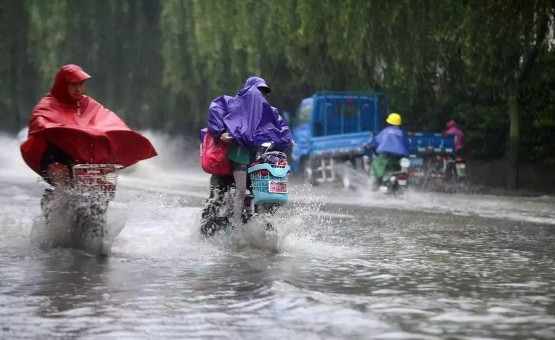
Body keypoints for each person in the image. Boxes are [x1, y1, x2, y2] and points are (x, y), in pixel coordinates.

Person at [20, 64, 157, 209]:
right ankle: (52, 203)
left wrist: (124, 135)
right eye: (74, 85)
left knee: (102, 190)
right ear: (63, 85)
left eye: (81, 84)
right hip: (56, 156)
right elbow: (40, 122)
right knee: (61, 177)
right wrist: (66, 129)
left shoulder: (88, 104)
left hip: (86, 161)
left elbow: (109, 121)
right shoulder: (47, 104)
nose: (79, 89)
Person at [203, 76, 292, 232]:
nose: (261, 96)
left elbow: (281, 131)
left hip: (253, 165)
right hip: (226, 164)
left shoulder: (268, 113)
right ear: (247, 92)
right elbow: (215, 113)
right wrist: (222, 133)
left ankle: (263, 229)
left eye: (264, 93)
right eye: (258, 92)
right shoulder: (230, 104)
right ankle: (206, 227)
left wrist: (284, 140)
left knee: (264, 198)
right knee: (216, 197)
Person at [368, 113, 409, 188]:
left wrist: (370, 145)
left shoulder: (385, 131)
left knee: (375, 165)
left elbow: (375, 142)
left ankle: (374, 185)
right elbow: (406, 144)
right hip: (399, 157)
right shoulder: (403, 132)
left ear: (389, 122)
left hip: (386, 155)